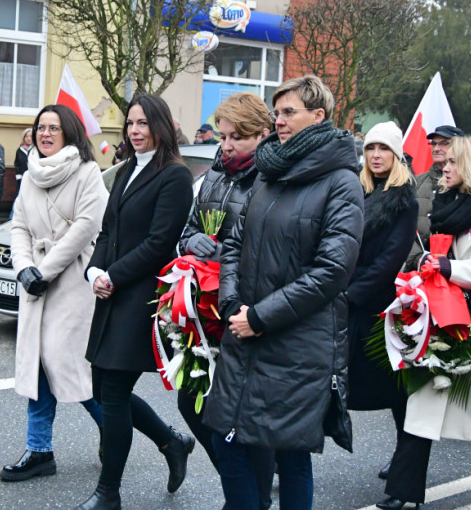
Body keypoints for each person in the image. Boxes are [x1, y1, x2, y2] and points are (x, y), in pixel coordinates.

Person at [204, 75, 364, 510]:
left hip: (297, 344)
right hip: (247, 334)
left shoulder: (341, 182)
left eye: (289, 112)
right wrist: (235, 305)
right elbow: (234, 242)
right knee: (229, 441)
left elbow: (332, 271)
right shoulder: (270, 172)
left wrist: (261, 317)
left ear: (319, 115)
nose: (279, 121)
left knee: (291, 457)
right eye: (277, 112)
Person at [379, 136, 471, 509]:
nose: (445, 167)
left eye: (454, 162)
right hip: (440, 315)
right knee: (424, 400)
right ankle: (402, 490)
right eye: (445, 163)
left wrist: (452, 268)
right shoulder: (445, 205)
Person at [78, 94, 196, 510]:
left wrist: (114, 274)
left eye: (144, 123)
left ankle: (109, 493)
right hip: (112, 293)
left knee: (112, 391)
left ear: (161, 126)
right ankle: (172, 441)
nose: (135, 130)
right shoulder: (127, 169)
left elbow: (160, 243)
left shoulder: (174, 176)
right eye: (130, 123)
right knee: (105, 387)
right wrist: (94, 271)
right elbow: (107, 231)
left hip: (141, 297)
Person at [175, 92, 274, 507]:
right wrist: (191, 242)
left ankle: (251, 498)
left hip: (243, 311)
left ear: (262, 134)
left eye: (237, 137)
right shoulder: (215, 175)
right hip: (204, 313)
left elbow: (271, 249)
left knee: (245, 420)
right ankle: (245, 491)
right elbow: (186, 232)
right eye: (224, 136)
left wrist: (226, 255)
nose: (227, 146)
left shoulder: (271, 179)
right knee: (192, 401)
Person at [0, 105, 108, 483]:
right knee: (38, 366)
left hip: (73, 282)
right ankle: (39, 449)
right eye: (41, 127)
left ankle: (132, 434)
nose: (45, 134)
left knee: (71, 368)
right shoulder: (30, 173)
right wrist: (23, 268)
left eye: (54, 128)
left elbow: (85, 228)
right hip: (36, 283)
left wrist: (42, 272)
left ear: (70, 132)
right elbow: (19, 226)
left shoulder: (88, 172)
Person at [346, 122, 418, 483]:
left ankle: (407, 459)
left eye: (384, 149)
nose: (376, 155)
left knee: (397, 391)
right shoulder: (355, 190)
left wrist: (351, 294)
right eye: (371, 148)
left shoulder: (404, 198)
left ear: (396, 154)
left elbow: (391, 259)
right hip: (346, 300)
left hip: (379, 308)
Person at [407, 124, 465, 270]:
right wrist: (419, 258)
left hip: (455, 270)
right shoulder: (416, 182)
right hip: (417, 271)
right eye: (434, 143)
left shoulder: (468, 187)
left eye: (444, 143)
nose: (437, 148)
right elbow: (402, 229)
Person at [14, 127, 34, 199]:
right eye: (26, 136)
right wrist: (19, 176)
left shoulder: (36, 150)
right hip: (22, 178)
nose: (29, 138)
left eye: (31, 136)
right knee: (19, 197)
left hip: (34, 179)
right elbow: (17, 164)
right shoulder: (19, 150)